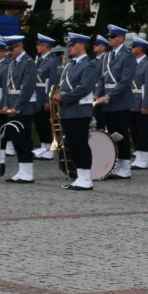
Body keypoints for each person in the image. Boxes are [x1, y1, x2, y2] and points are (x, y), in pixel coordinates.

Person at [54, 32, 101, 190]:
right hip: (68, 109)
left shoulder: (89, 64)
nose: (70, 48)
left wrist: (63, 97)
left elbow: (84, 88)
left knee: (81, 144)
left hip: (80, 110)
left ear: (82, 45)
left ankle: (86, 178)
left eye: (72, 45)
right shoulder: (71, 64)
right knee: (72, 144)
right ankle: (79, 176)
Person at [95, 24, 135, 179]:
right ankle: (118, 163)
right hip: (106, 101)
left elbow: (125, 81)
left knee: (121, 134)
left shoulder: (127, 55)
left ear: (121, 38)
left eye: (112, 37)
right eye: (109, 37)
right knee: (112, 134)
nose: (109, 39)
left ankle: (126, 167)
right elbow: (101, 78)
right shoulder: (107, 56)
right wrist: (98, 94)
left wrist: (110, 96)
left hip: (120, 101)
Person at [0, 35, 39, 182]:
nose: (9, 52)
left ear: (19, 46)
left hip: (24, 107)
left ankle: (28, 172)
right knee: (16, 139)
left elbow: (27, 88)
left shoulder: (28, 62)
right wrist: (5, 104)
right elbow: (8, 87)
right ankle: (22, 170)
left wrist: (17, 107)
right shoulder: (13, 62)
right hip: (12, 105)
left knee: (24, 139)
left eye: (11, 49)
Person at [129, 37, 148, 170]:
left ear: (140, 49)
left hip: (141, 102)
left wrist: (146, 104)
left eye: (134, 46)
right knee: (134, 131)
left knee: (142, 132)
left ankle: (143, 158)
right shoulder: (133, 63)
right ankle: (138, 156)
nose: (131, 49)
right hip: (131, 103)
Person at [31, 34, 61, 161]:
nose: (37, 47)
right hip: (37, 96)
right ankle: (43, 147)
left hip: (44, 96)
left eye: (40, 44)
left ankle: (49, 149)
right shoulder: (39, 60)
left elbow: (53, 81)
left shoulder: (53, 60)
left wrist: (48, 99)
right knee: (40, 124)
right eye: (37, 44)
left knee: (47, 124)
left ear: (47, 46)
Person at [91, 35, 110, 132]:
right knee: (94, 121)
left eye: (97, 45)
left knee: (100, 120)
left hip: (101, 94)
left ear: (103, 47)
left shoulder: (105, 60)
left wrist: (97, 93)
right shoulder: (94, 61)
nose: (94, 46)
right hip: (92, 93)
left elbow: (102, 78)